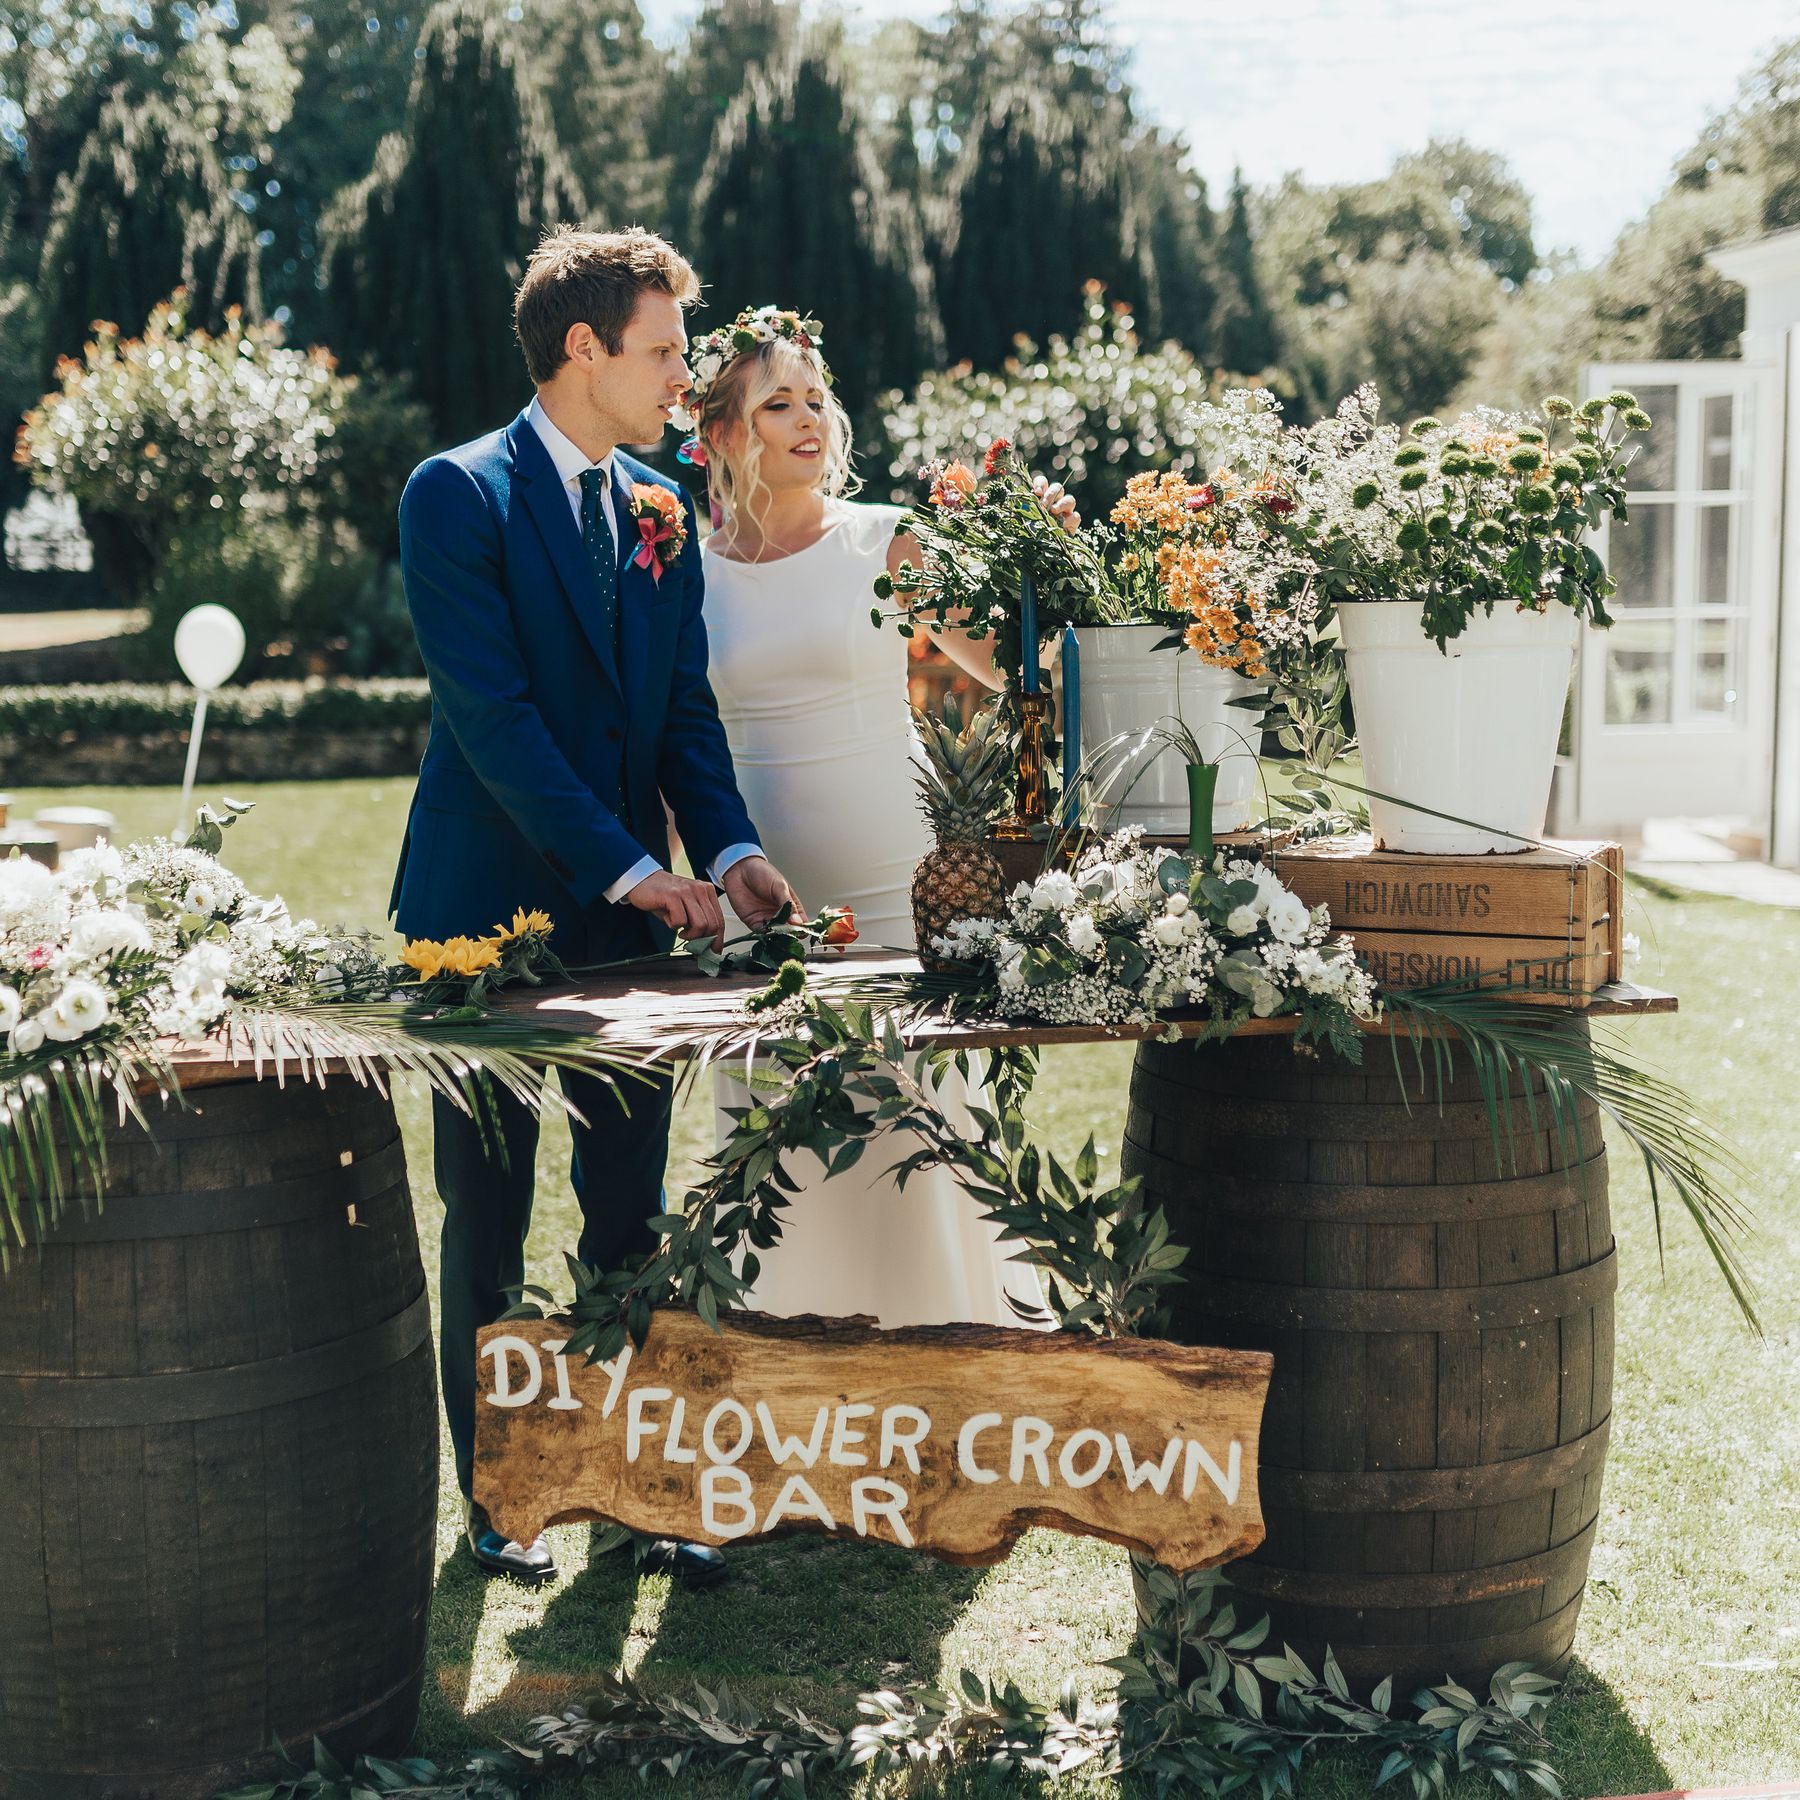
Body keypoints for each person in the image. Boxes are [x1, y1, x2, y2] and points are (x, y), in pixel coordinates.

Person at [391, 229, 799, 1587]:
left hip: (637, 928)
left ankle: (644, 1490)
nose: (686, 377)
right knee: (488, 1212)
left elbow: (682, 712)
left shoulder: (661, 504)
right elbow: (496, 723)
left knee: (630, 1207)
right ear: (584, 349)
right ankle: (502, 1497)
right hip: (479, 918)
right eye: (666, 351)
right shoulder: (455, 494)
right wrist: (634, 866)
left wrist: (728, 850)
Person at [686, 306, 1071, 1327]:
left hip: (897, 882)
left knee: (916, 1122)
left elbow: (1019, 668)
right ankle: (789, 1364)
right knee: (777, 1145)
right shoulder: (687, 571)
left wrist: (1064, 591)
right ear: (721, 431)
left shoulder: (884, 538)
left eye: (816, 399)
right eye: (778, 404)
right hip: (755, 896)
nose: (809, 419)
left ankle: (954, 1338)